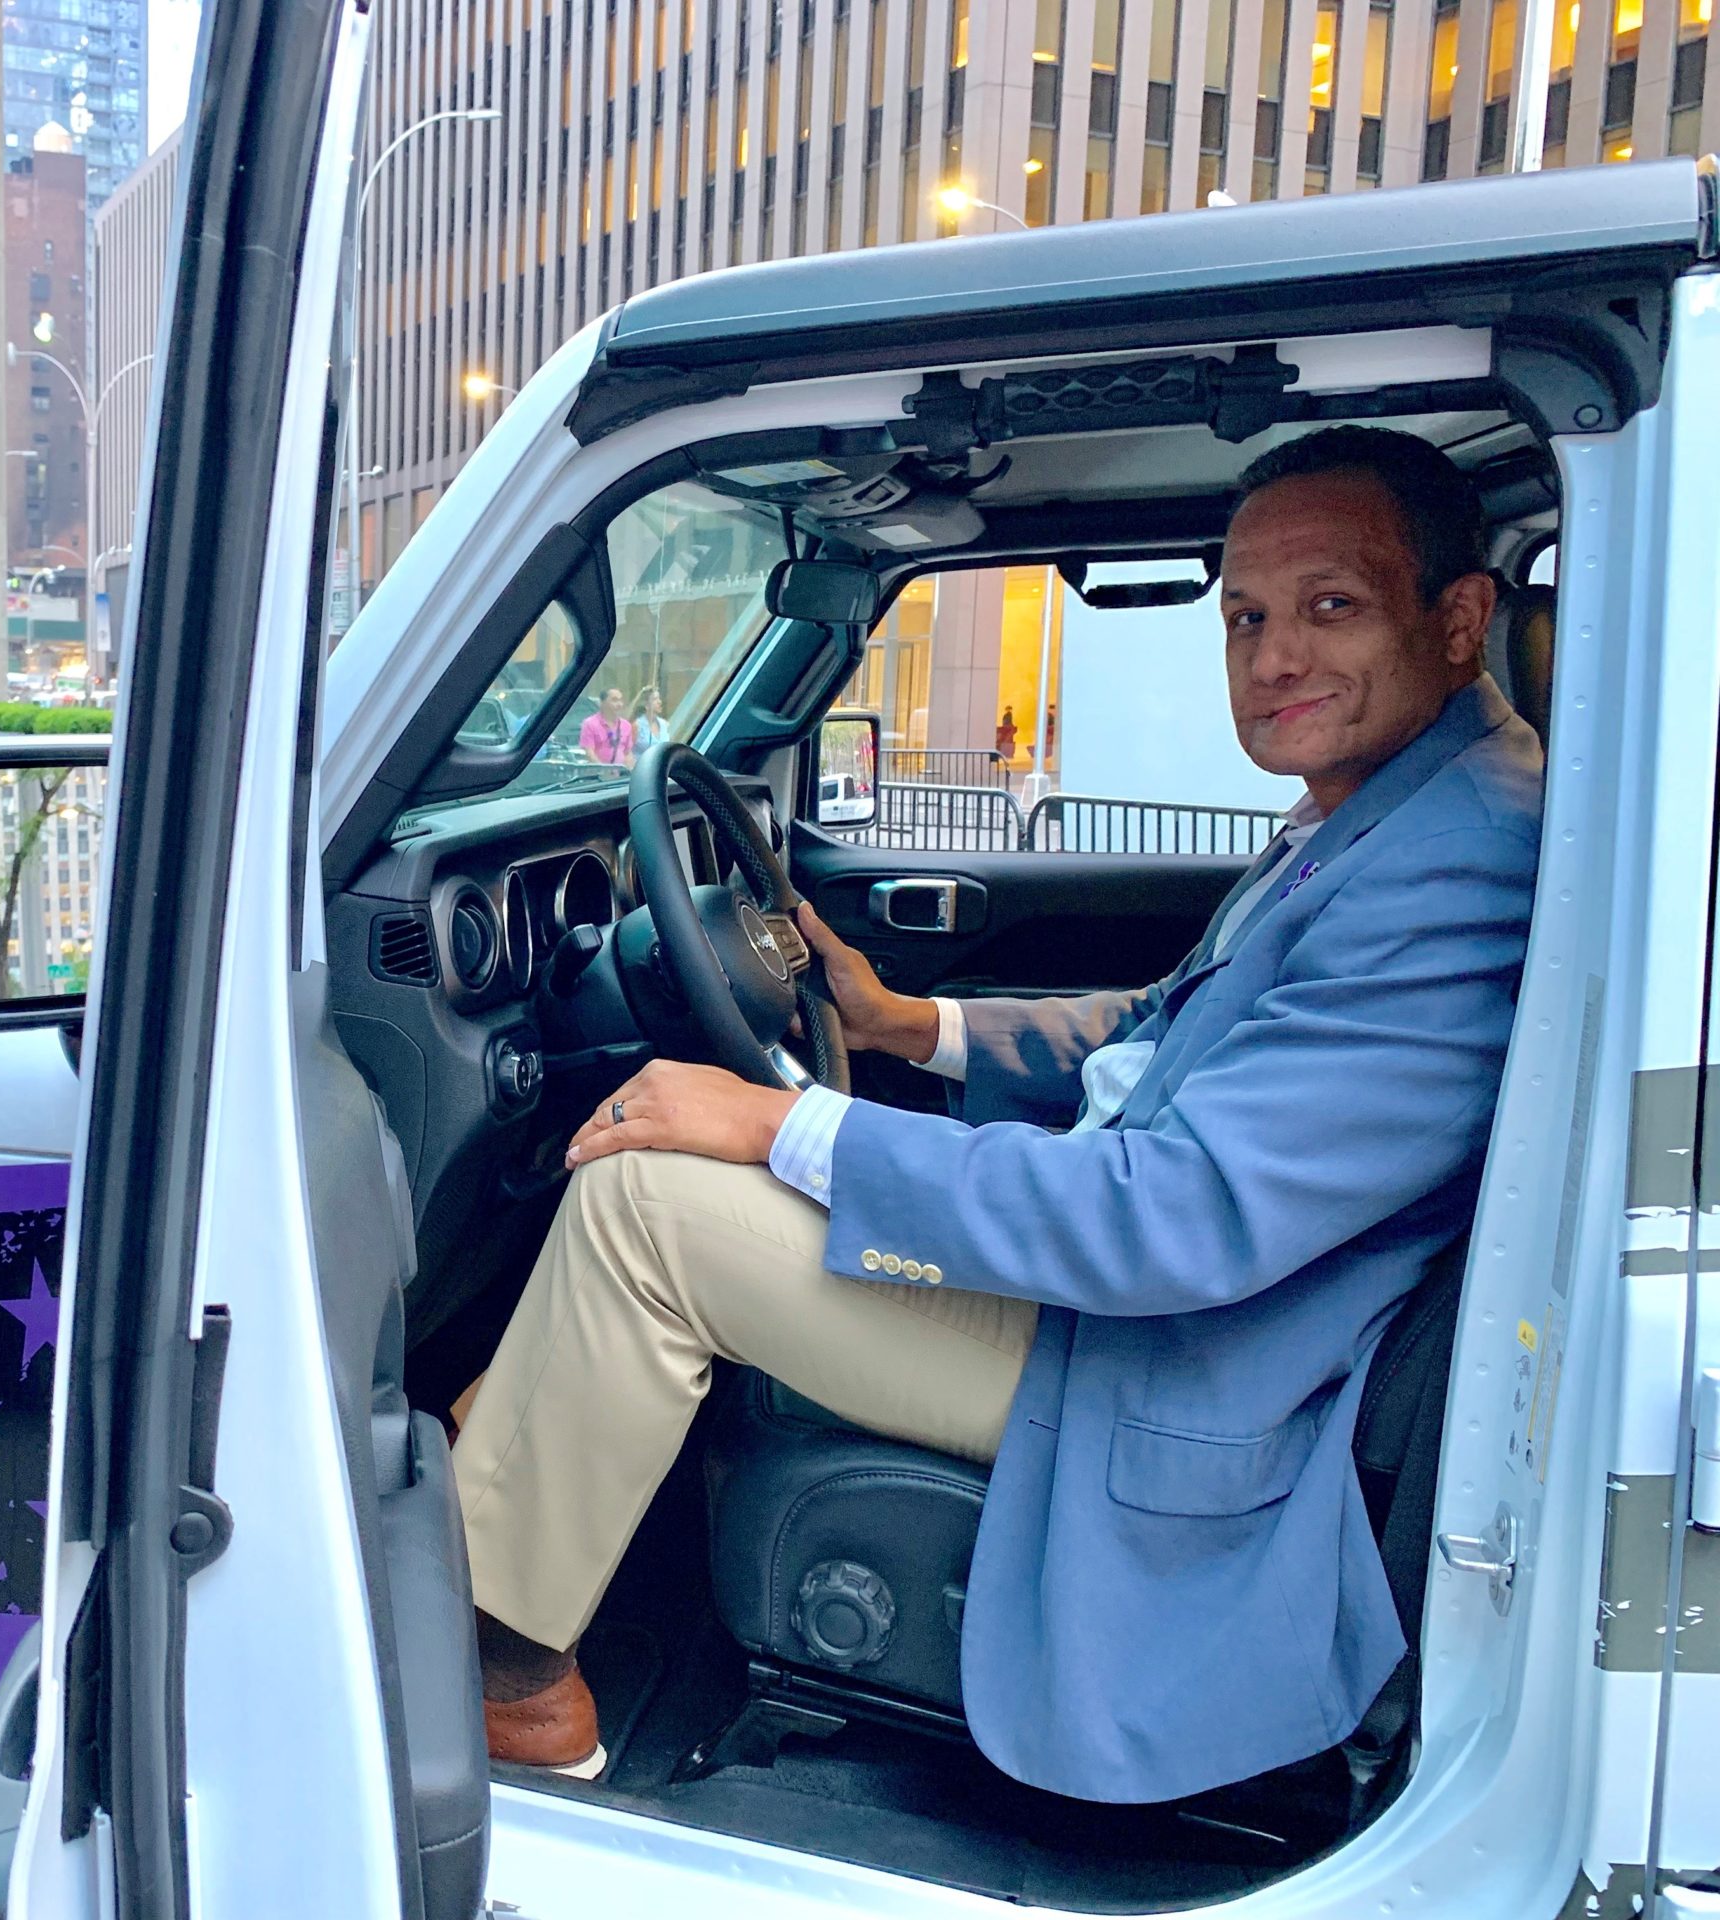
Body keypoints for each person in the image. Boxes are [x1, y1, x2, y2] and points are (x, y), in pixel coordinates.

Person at [453, 426, 1542, 1803]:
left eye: (1332, 608)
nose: (1274, 660)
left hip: (1167, 1361)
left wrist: (773, 1126)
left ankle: (511, 1687)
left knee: (643, 1207)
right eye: (1249, 618)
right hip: (1130, 1298)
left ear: (1459, 617)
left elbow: (1177, 1216)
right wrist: (913, 1024)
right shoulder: (1387, 808)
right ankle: (505, 1458)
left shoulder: (1459, 865)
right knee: (689, 1163)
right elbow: (1165, 1033)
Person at [578, 687, 635, 767]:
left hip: (621, 776)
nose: (619, 704)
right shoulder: (589, 724)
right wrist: (603, 771)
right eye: (614, 700)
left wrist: (629, 768)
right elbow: (589, 753)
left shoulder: (626, 725)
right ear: (602, 702)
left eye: (620, 700)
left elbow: (628, 752)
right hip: (598, 775)